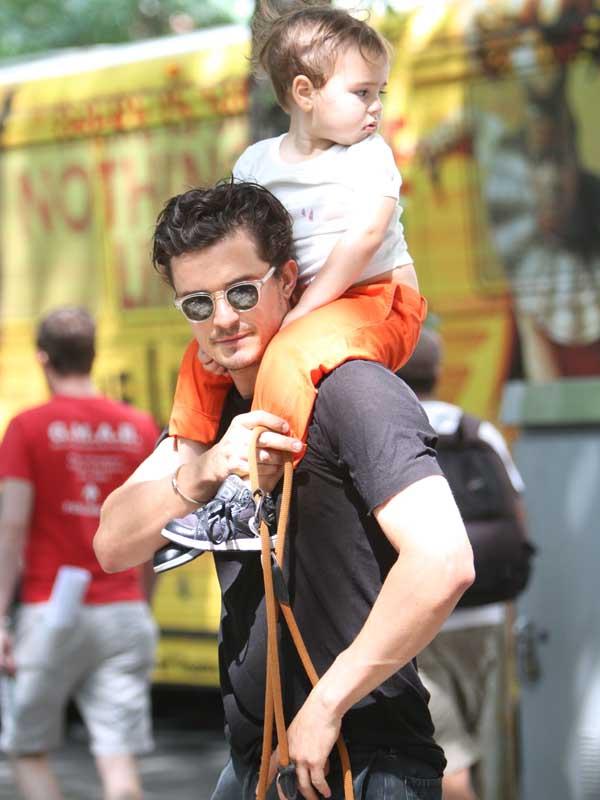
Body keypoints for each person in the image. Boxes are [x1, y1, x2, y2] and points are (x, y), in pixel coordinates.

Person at [93, 181, 475, 800]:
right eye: (197, 303)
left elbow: (444, 562)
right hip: (255, 762)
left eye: (241, 291)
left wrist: (326, 705)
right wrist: (205, 469)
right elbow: (112, 543)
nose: (222, 319)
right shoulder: (210, 416)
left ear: (289, 280)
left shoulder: (353, 392)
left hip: (362, 761)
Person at [160, 4, 426, 568]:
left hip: (374, 300)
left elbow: (365, 238)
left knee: (289, 354)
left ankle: (254, 491)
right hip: (311, 303)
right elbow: (238, 235)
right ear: (304, 93)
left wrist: (302, 310)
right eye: (362, 93)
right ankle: (183, 479)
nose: (376, 106)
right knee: (202, 354)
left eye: (380, 91)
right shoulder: (257, 161)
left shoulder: (368, 155)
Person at [0, 307, 160, 800]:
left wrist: (1, 618)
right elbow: (152, 529)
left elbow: (11, 528)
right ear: (93, 357)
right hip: (123, 607)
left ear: (42, 358)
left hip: (51, 611)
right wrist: (142, 603)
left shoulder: (27, 428)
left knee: (28, 752)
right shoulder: (138, 427)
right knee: (119, 764)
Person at [397, 328, 528, 800]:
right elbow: (516, 515)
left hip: (422, 622)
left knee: (447, 761)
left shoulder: (391, 432)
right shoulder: (477, 430)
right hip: (489, 614)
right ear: (438, 372)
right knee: (493, 754)